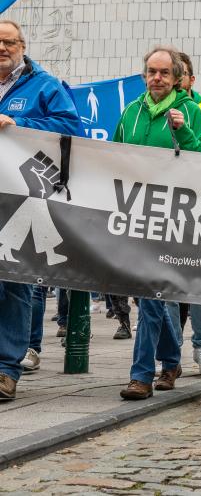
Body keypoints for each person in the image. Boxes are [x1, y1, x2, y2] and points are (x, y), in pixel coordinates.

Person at [116, 46, 201, 400]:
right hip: (135, 212)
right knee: (151, 295)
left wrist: (184, 131)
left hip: (174, 215)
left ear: (176, 78)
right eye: (151, 72)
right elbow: (113, 155)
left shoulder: (190, 111)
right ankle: (171, 360)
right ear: (145, 76)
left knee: (151, 292)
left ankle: (141, 374)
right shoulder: (130, 112)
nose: (157, 78)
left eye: (164, 73)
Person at [0, 20, 82, 402]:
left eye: (9, 42)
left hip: (21, 200)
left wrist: (20, 124)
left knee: (14, 282)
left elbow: (71, 128)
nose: (3, 48)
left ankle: (6, 368)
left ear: (22, 46)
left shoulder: (46, 85)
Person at [162, 51, 201, 376]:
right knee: (168, 284)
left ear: (189, 78)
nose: (178, 78)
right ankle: (171, 352)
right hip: (165, 207)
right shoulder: (150, 110)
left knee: (198, 282)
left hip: (200, 207)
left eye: (182, 73)